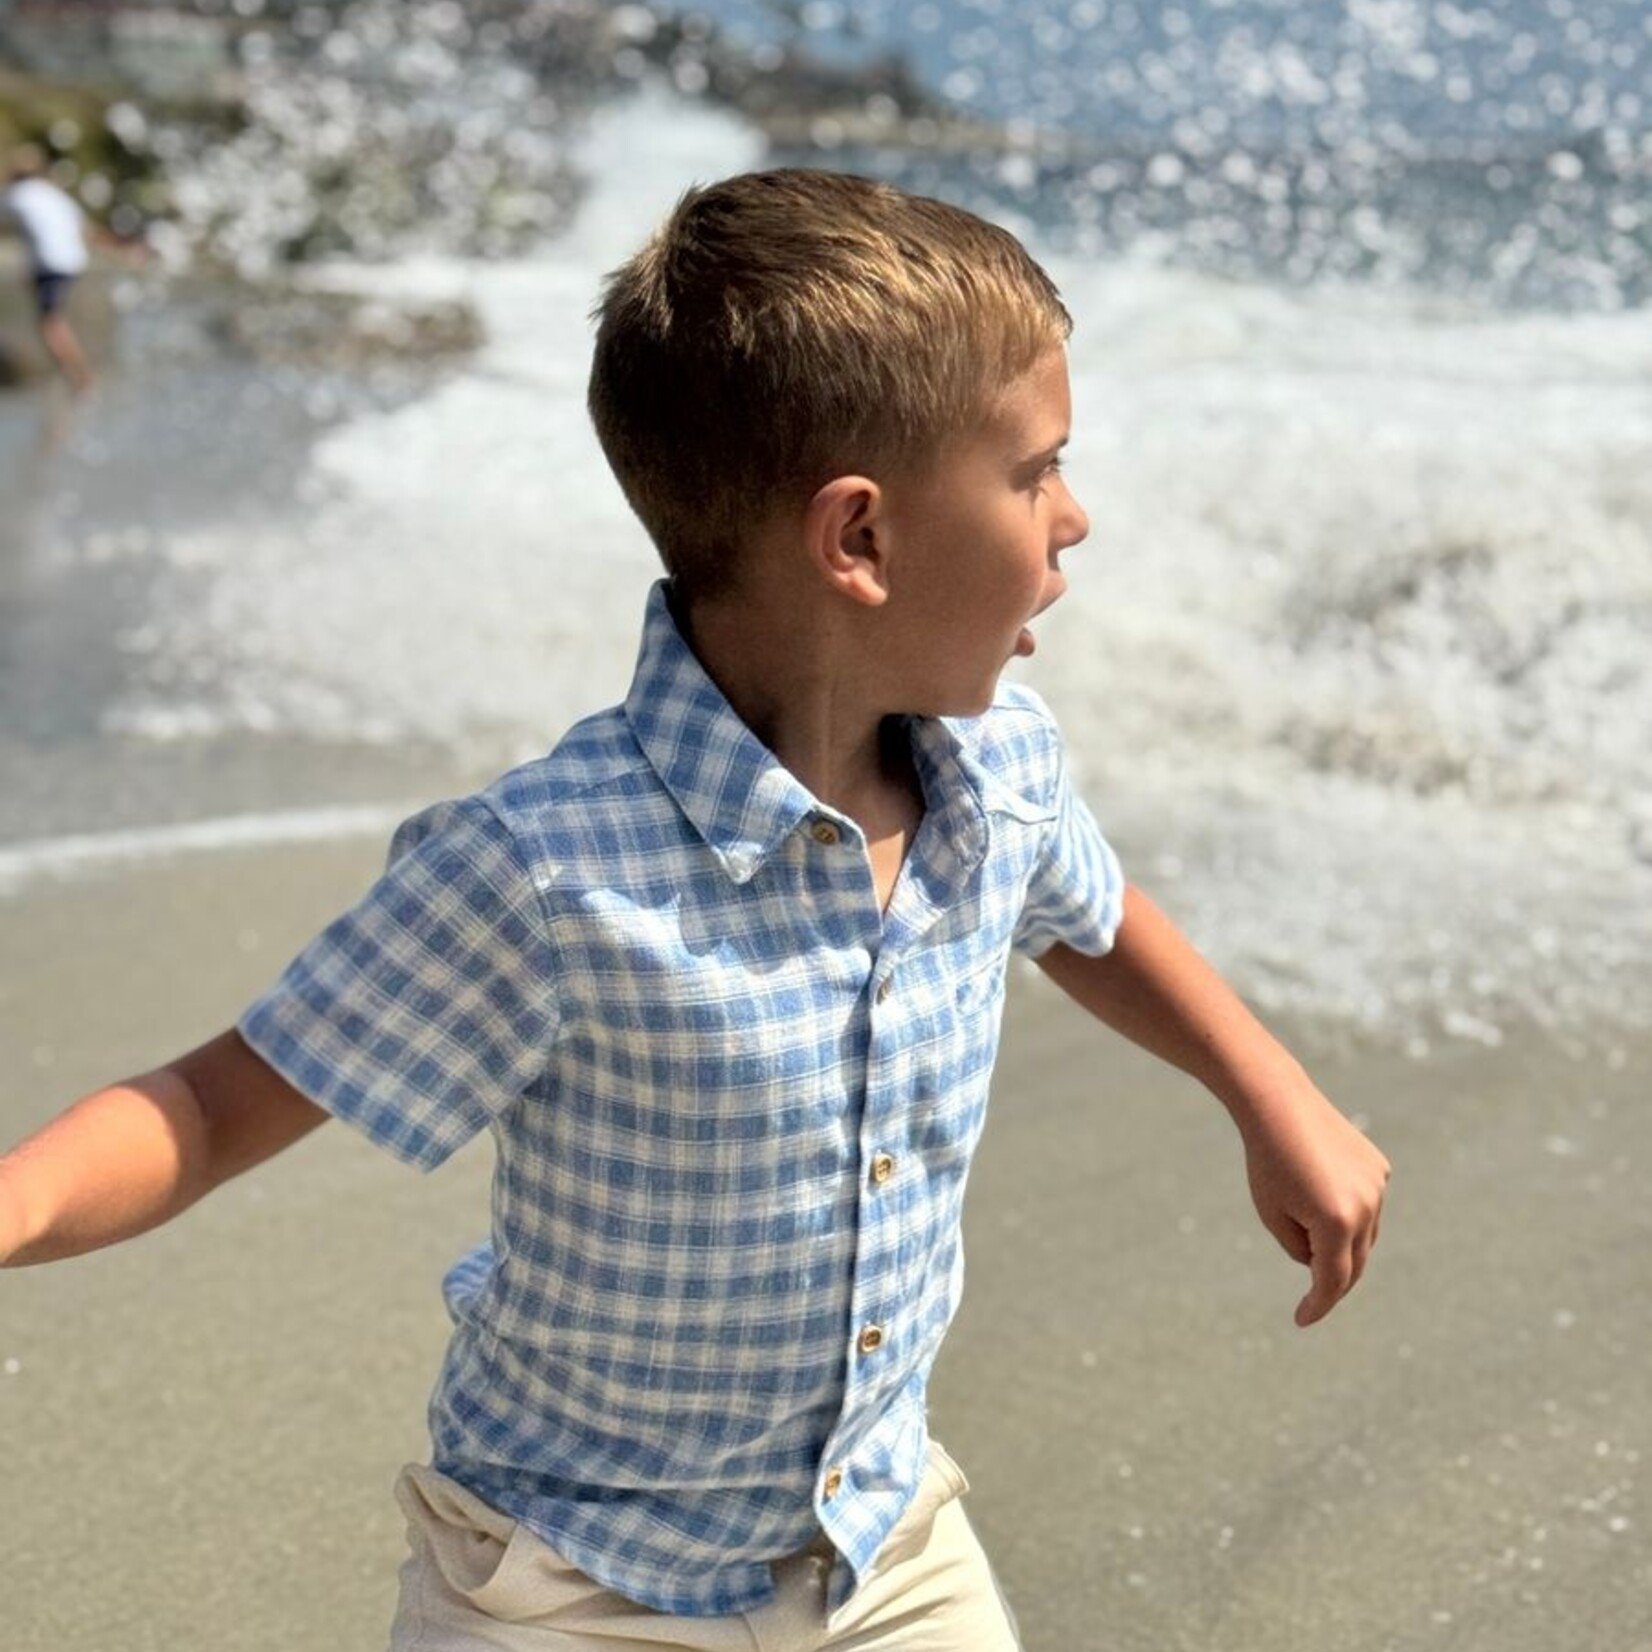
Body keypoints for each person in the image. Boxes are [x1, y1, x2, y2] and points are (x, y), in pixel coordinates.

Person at [0, 169, 1390, 1650]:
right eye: (1035, 471)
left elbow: (1090, 918)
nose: (1076, 516)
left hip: (883, 1546)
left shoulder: (1001, 773)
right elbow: (213, 1105)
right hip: (571, 1587)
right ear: (858, 540)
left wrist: (1271, 1093)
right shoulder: (548, 871)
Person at [1, 143, 96, 393]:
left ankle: (79, 379)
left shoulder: (18, 194)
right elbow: (85, 229)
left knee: (50, 324)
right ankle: (72, 375)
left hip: (51, 262)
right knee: (50, 316)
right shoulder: (54, 194)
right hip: (73, 260)